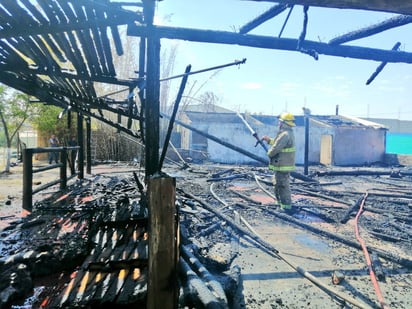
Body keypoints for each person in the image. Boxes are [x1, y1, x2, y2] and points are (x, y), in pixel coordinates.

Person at [262, 112, 296, 214]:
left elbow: (276, 148)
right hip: (283, 165)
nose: (278, 123)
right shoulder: (285, 133)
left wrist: (269, 153)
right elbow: (277, 143)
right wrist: (269, 140)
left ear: (284, 123)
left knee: (282, 185)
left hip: (283, 165)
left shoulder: (285, 134)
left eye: (280, 121)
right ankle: (281, 205)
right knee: (278, 184)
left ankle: (286, 207)